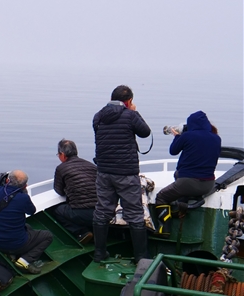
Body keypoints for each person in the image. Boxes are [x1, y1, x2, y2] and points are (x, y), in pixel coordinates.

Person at [92, 85, 152, 263]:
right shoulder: (130, 115)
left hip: (104, 172)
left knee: (102, 211)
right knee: (134, 213)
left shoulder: (98, 116)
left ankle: (99, 253)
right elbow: (145, 132)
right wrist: (135, 112)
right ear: (129, 101)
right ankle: (141, 257)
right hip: (126, 172)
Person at [154, 111, 221, 231]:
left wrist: (177, 137)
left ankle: (164, 229)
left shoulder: (187, 136)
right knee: (178, 175)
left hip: (188, 183)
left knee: (161, 197)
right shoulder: (216, 138)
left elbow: (173, 151)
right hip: (208, 185)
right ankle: (181, 207)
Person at [0, 170, 53, 274]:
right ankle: (24, 261)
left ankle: (11, 254)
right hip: (17, 244)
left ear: (7, 180)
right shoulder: (23, 198)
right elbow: (31, 211)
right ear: (25, 185)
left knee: (28, 227)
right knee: (47, 236)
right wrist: (23, 192)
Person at [52, 139, 98, 244]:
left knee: (57, 210)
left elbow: (59, 191)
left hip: (83, 213)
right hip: (103, 211)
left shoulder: (61, 168)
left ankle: (81, 232)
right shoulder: (91, 166)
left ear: (63, 155)